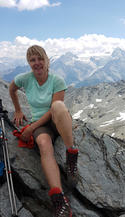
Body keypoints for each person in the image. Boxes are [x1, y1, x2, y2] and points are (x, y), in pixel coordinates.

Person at [9, 45, 76, 217]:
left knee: (58, 106)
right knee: (44, 145)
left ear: (47, 60)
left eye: (40, 59)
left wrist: (31, 127)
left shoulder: (57, 80)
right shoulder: (25, 79)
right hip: (41, 126)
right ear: (29, 63)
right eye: (32, 60)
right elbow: (11, 88)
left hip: (57, 120)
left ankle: (71, 154)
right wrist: (17, 109)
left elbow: (52, 111)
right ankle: (59, 198)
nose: (37, 63)